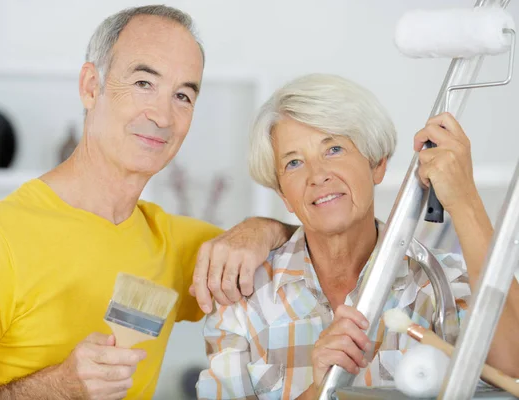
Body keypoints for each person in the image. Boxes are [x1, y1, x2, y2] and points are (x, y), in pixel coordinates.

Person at [0, 6, 295, 400]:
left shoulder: (177, 245)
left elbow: (320, 254)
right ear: (90, 86)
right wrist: (56, 388)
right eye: (144, 83)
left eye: (183, 95)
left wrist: (262, 229)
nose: (163, 116)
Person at [196, 73, 519, 399]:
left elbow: (514, 369)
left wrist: (464, 201)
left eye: (334, 149)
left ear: (377, 164)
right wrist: (319, 391)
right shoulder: (241, 298)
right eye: (294, 163)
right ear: (283, 195)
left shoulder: (445, 282)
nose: (317, 175)